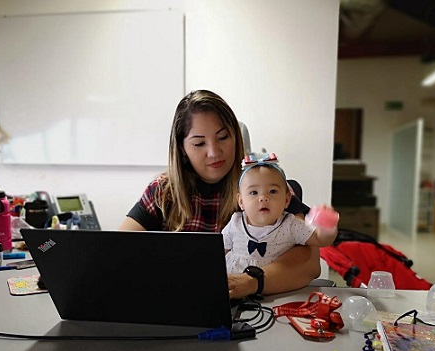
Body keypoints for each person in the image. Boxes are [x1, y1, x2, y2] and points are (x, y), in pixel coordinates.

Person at [118, 89, 322, 299]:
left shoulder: (262, 186)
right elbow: (116, 250)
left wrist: (251, 281)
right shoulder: (163, 192)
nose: (214, 152)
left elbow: (309, 263)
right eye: (199, 143)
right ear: (182, 148)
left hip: (254, 306)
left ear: (236, 136)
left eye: (223, 137)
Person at [222, 152, 338, 275]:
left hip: (275, 284)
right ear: (241, 202)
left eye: (272, 191)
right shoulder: (235, 223)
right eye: (254, 192)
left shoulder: (290, 225)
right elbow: (218, 250)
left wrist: (327, 227)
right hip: (233, 283)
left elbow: (320, 240)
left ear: (287, 200)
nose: (263, 198)